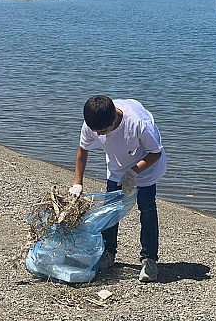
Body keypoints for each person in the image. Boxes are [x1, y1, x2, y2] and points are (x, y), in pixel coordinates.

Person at [70, 95, 166, 282]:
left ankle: (149, 259)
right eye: (95, 131)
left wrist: (132, 173)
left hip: (146, 167)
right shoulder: (94, 120)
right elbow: (83, 149)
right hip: (117, 166)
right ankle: (108, 252)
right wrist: (77, 183)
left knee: (146, 209)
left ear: (114, 118)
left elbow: (156, 152)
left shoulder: (139, 124)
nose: (99, 135)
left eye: (103, 131)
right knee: (111, 209)